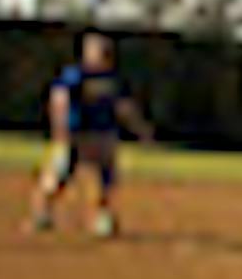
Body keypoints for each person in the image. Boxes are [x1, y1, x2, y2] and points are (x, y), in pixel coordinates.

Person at [28, 30, 156, 238]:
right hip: (77, 133)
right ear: (87, 53)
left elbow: (123, 107)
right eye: (97, 51)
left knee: (106, 177)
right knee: (60, 173)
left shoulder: (113, 80)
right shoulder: (75, 76)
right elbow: (59, 98)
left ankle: (102, 217)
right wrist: (60, 128)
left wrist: (141, 129)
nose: (103, 55)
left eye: (106, 51)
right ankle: (42, 212)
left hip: (104, 133)